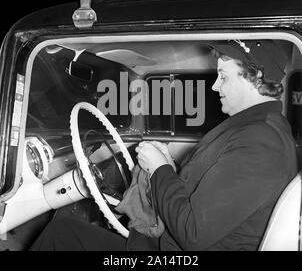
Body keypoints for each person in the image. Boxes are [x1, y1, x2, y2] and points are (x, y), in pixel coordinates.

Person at [31, 39, 298, 251]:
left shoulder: (261, 142)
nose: (215, 86)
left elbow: (193, 234)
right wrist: (169, 165)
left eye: (224, 76)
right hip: (166, 244)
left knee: (62, 234)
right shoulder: (256, 129)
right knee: (66, 230)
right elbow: (209, 192)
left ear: (255, 76)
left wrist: (160, 170)